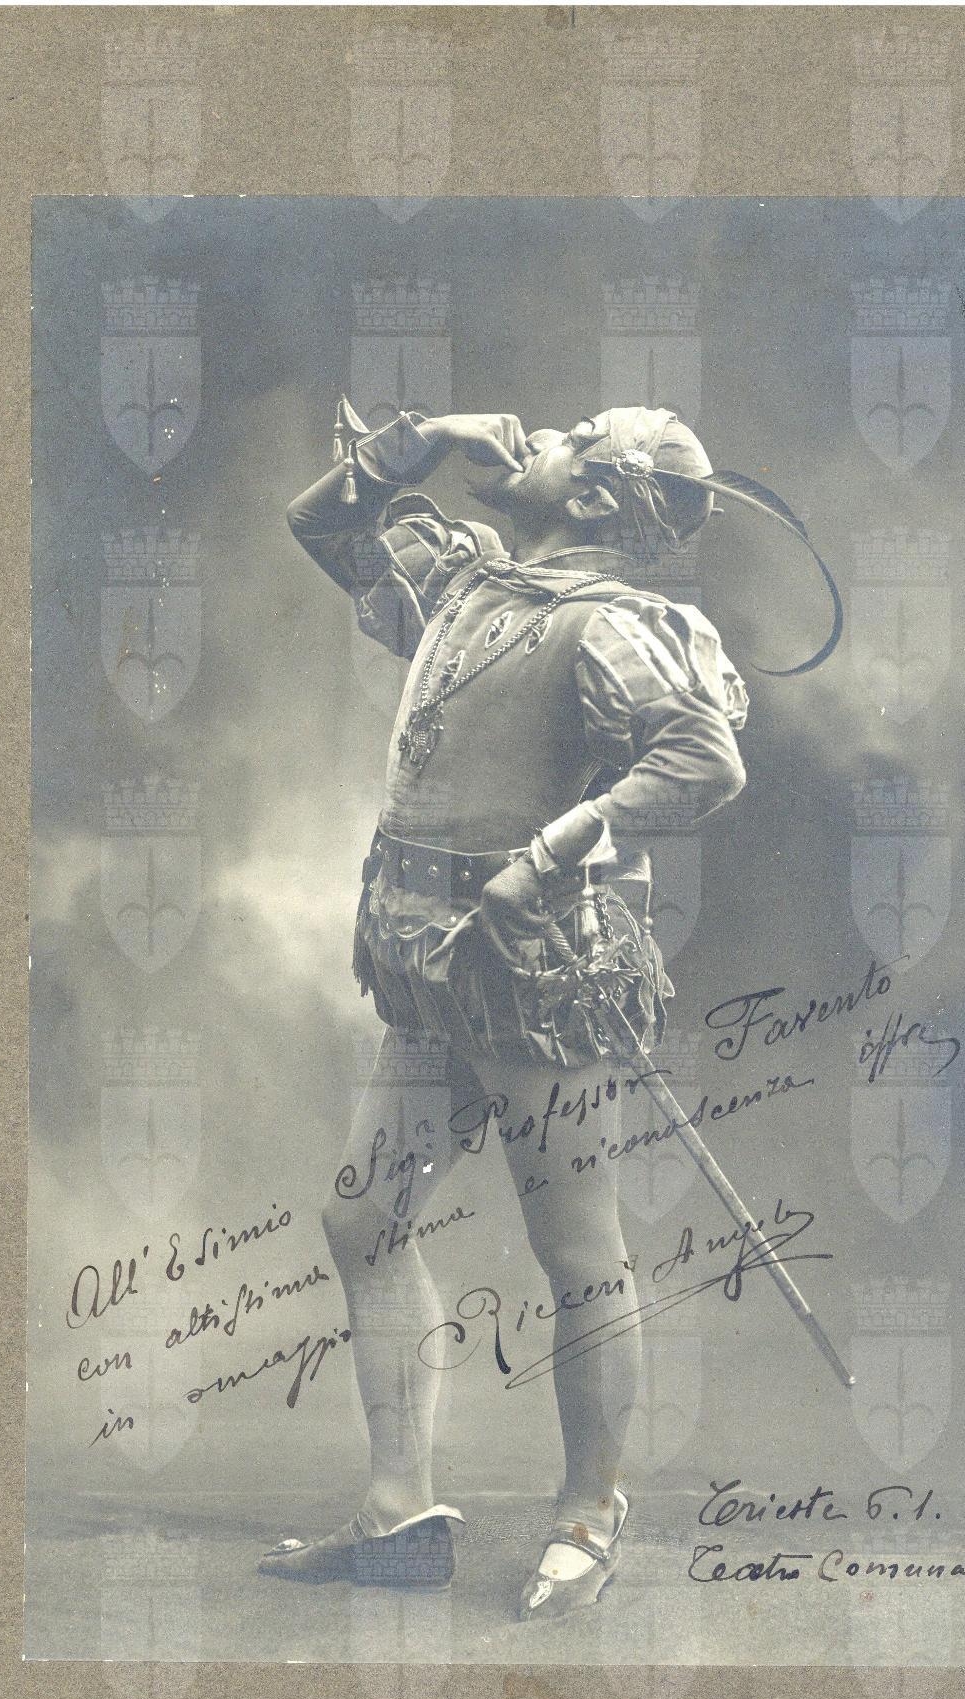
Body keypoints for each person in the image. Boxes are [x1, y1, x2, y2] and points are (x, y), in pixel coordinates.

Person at [261, 402, 749, 1620]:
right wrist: (414, 440)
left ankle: (589, 1512)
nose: (535, 430)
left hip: (541, 976)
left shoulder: (609, 623)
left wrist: (550, 852)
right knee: (363, 1213)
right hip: (431, 962)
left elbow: (703, 757)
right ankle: (398, 1508)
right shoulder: (466, 584)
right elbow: (324, 523)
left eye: (573, 434)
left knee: (574, 1249)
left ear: (593, 496)